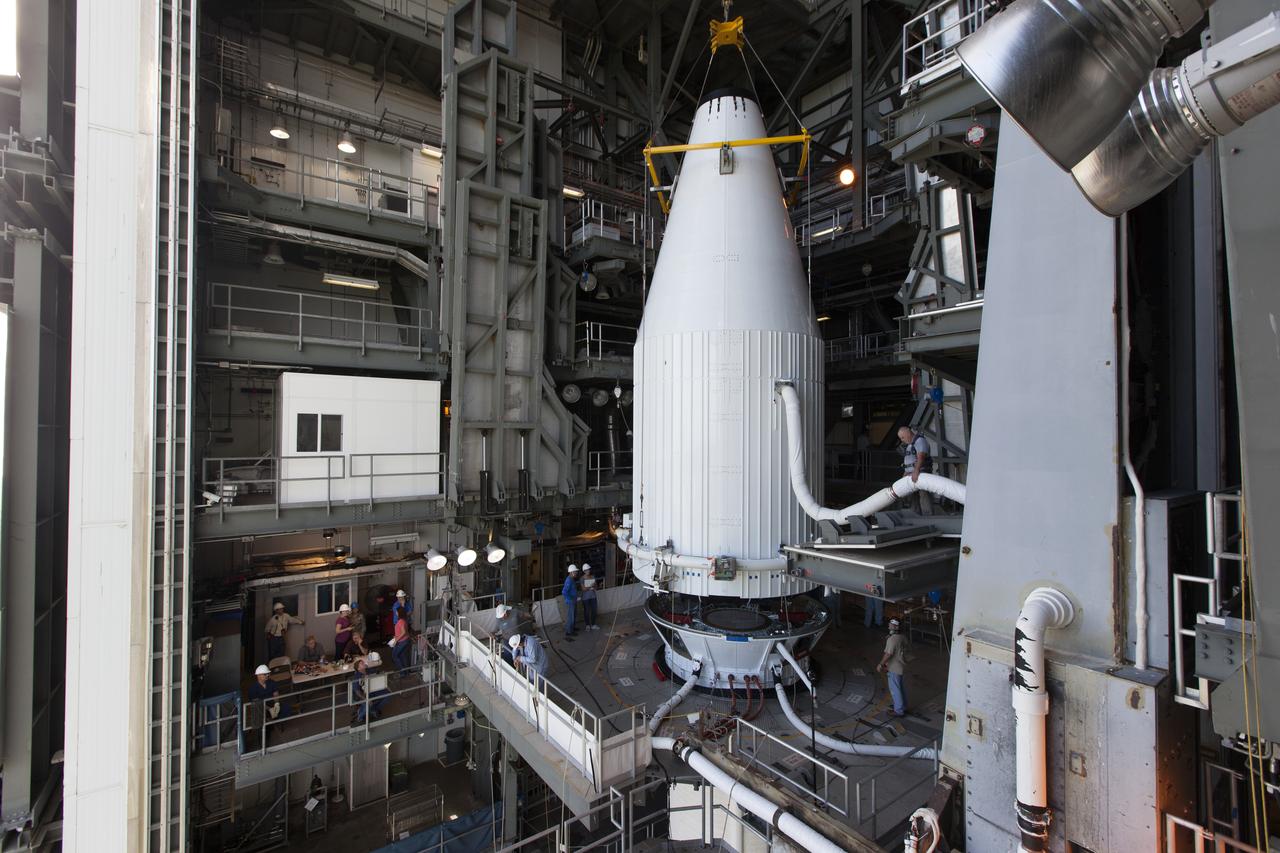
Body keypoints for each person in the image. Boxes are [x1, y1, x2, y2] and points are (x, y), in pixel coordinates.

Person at [897, 426, 934, 515]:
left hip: (921, 473)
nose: (902, 440)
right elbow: (908, 461)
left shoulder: (920, 441)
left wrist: (916, 471)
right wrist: (905, 474)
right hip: (911, 474)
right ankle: (916, 515)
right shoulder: (910, 445)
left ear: (908, 433)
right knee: (913, 496)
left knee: (923, 494)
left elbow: (921, 457)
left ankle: (928, 516)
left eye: (902, 437)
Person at [876, 619, 909, 717]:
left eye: (891, 625)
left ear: (896, 627)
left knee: (895, 689)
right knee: (900, 687)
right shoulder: (902, 637)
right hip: (901, 665)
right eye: (889, 624)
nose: (889, 627)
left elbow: (888, 654)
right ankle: (902, 706)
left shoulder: (892, 639)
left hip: (894, 667)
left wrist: (881, 664)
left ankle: (898, 710)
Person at [350, 652, 390, 724]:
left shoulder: (368, 670)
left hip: (372, 690)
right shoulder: (357, 677)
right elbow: (357, 691)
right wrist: (366, 699)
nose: (364, 663)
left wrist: (382, 674)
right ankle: (360, 716)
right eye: (362, 663)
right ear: (358, 668)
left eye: (363, 662)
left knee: (387, 695)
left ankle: (374, 709)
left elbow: (377, 672)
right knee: (367, 704)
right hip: (362, 695)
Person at [389, 610, 413, 674]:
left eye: (397, 611)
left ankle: (402, 672)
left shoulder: (401, 621)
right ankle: (406, 672)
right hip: (405, 641)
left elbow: (403, 632)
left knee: (394, 655)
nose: (396, 612)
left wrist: (396, 640)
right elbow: (402, 631)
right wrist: (396, 636)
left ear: (400, 613)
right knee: (403, 656)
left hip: (402, 642)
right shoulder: (403, 620)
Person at [561, 565, 581, 639]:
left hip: (573, 600)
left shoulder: (571, 579)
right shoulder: (569, 580)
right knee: (571, 616)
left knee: (574, 615)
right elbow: (564, 592)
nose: (576, 573)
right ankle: (569, 632)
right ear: (572, 572)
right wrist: (571, 599)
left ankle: (572, 628)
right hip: (570, 602)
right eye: (575, 572)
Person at [581, 564, 599, 631]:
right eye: (587, 570)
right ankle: (587, 625)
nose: (588, 571)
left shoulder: (593, 577)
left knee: (594, 610)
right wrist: (590, 586)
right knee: (587, 611)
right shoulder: (582, 579)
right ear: (584, 571)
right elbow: (583, 589)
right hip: (586, 598)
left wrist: (594, 586)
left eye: (589, 569)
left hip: (593, 597)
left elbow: (596, 588)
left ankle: (593, 624)